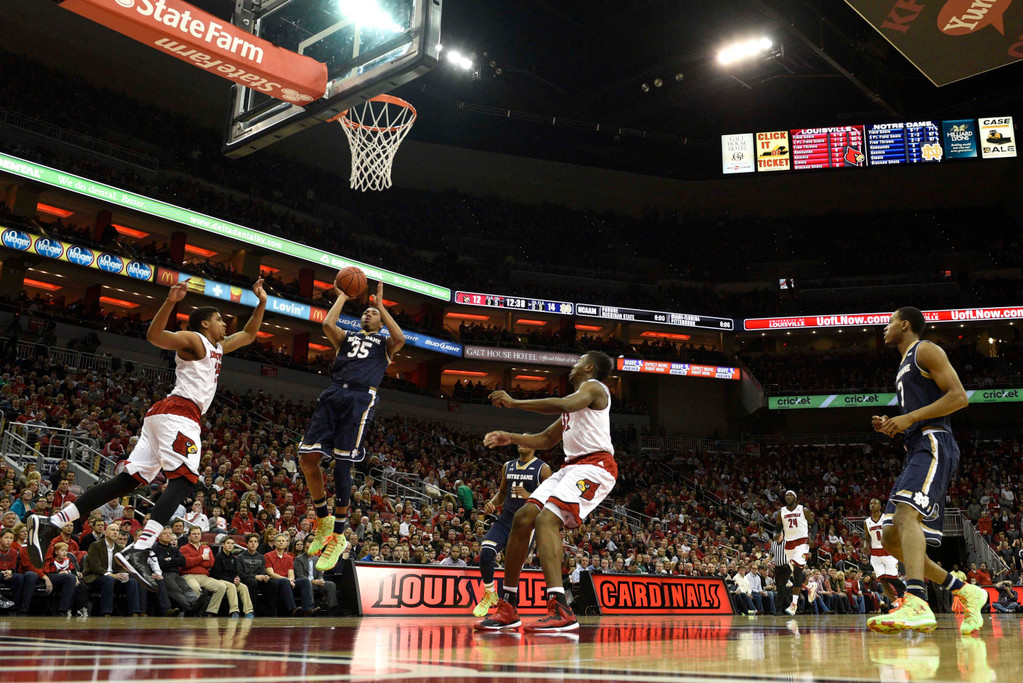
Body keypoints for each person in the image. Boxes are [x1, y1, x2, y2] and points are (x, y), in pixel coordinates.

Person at [28, 278, 267, 589]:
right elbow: (155, 336)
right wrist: (170, 301)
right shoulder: (195, 339)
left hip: (164, 415)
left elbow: (248, 334)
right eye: (220, 319)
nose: (225, 324)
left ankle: (53, 523)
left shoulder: (217, 347)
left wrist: (261, 303)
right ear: (205, 323)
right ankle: (140, 548)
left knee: (127, 481)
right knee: (184, 482)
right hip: (179, 415)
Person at [476, 351, 618, 632]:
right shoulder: (574, 406)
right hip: (571, 467)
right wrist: (510, 437)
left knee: (546, 520)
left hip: (595, 466)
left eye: (579, 361)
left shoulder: (593, 388)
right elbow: (546, 439)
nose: (574, 366)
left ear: (589, 367)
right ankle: (508, 605)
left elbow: (563, 403)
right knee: (523, 517)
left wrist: (514, 402)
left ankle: (561, 607)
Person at [867, 307, 988, 635]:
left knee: (906, 517)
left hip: (933, 442)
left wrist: (909, 418)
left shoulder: (925, 349)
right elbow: (918, 411)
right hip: (916, 446)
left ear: (905, 324)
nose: (885, 327)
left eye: (890, 321)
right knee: (890, 537)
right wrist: (894, 423)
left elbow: (959, 397)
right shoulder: (903, 363)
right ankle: (965, 590)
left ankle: (917, 600)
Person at [297, 281, 404, 573]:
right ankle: (323, 519)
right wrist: (342, 297)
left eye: (373, 313)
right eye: (366, 312)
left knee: (342, 465)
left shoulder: (384, 344)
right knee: (307, 458)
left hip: (360, 398)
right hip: (334, 393)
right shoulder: (347, 337)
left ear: (380, 321)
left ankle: (339, 536)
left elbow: (400, 337)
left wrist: (381, 306)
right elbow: (327, 324)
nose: (368, 314)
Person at [471, 444, 552, 617]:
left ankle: (509, 607)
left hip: (527, 521)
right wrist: (492, 503)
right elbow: (502, 493)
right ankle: (489, 593)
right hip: (506, 518)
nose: (521, 443)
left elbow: (552, 498)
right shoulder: (508, 466)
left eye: (526, 440)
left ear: (535, 445)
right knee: (485, 553)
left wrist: (529, 496)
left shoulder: (543, 469)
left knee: (513, 568)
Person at [774, 490, 814, 616]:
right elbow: (777, 527)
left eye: (791, 495)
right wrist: (776, 534)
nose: (788, 497)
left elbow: (814, 524)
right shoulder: (781, 512)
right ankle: (809, 586)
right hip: (789, 544)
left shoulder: (803, 510)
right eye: (786, 495)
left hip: (802, 542)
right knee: (797, 574)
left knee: (797, 571)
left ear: (795, 498)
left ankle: (794, 604)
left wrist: (812, 537)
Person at [864, 498, 905, 610]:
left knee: (892, 578)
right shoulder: (866, 522)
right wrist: (866, 546)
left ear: (880, 506)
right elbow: (867, 538)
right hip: (875, 554)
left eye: (875, 503)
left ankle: (908, 591)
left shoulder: (886, 518)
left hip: (888, 552)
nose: (872, 505)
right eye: (871, 503)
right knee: (883, 580)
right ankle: (895, 604)